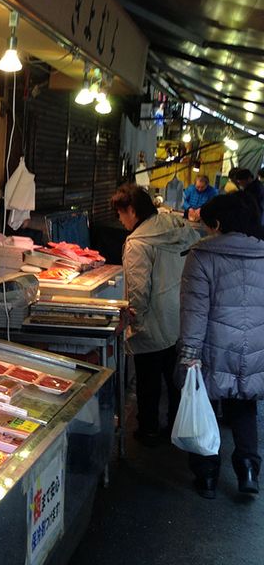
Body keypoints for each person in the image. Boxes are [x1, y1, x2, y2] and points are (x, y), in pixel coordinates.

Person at [177, 193, 264, 498]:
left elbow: (194, 312)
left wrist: (189, 355)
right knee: (244, 406)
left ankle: (207, 477)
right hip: (256, 347)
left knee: (206, 407)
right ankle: (248, 470)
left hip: (214, 346)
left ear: (216, 224)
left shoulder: (202, 255)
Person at [111, 183, 200, 447]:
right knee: (173, 379)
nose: (120, 220)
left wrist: (133, 319)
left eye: (120, 213)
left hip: (153, 319)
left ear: (131, 210)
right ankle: (175, 427)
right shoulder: (176, 226)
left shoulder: (138, 243)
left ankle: (148, 429)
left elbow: (138, 289)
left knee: (148, 381)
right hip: (179, 314)